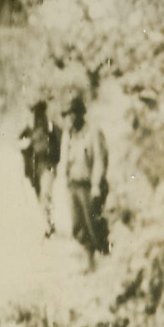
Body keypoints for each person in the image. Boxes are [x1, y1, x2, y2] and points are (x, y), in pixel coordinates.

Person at [63, 94, 110, 266]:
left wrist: (96, 185)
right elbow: (65, 159)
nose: (69, 118)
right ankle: (89, 262)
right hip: (73, 185)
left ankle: (104, 260)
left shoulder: (93, 132)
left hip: (89, 186)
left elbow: (100, 160)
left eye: (72, 113)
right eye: (67, 114)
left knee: (93, 224)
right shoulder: (69, 134)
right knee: (78, 225)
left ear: (80, 114)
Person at [19, 100, 62, 237]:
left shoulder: (50, 128)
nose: (38, 116)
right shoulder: (30, 129)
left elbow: (59, 143)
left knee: (45, 194)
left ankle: (48, 226)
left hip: (47, 165)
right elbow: (20, 143)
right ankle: (48, 223)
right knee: (40, 196)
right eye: (36, 113)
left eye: (39, 113)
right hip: (35, 168)